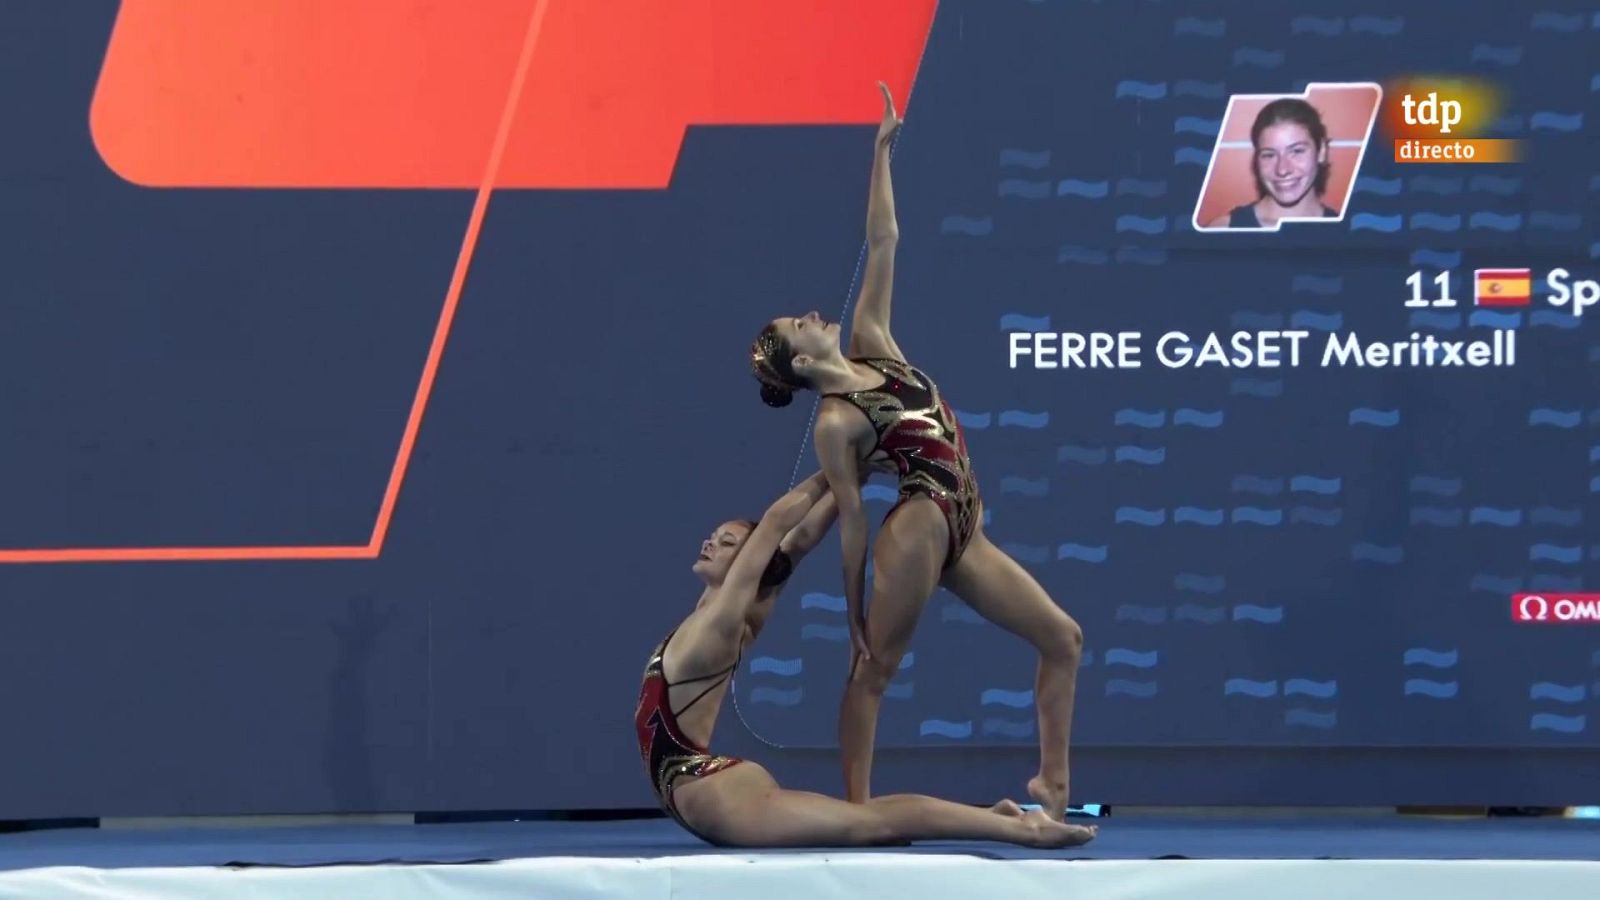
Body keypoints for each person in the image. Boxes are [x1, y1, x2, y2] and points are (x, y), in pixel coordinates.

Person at [747, 84, 1087, 821]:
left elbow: (884, 241)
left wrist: (881, 152)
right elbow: (851, 520)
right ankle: (861, 810)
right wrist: (851, 614)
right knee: (873, 668)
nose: (811, 314)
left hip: (965, 530)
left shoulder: (872, 341)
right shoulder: (837, 422)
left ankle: (1051, 789)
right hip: (919, 524)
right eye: (797, 325)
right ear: (800, 364)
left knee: (1062, 637)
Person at [634, 471, 1096, 849]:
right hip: (700, 790)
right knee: (864, 819)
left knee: (870, 825)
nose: (710, 543)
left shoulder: (724, 620)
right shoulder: (714, 610)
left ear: (748, 563)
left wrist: (839, 467)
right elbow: (797, 543)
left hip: (713, 797)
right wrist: (843, 479)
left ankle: (1021, 829)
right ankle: (996, 817)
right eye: (715, 537)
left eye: (729, 542)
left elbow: (780, 526)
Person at [1207, 97, 1339, 228]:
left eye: (1297, 151)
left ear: (1321, 151)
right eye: (1269, 155)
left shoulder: (1347, 232)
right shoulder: (1224, 230)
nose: (1282, 169)